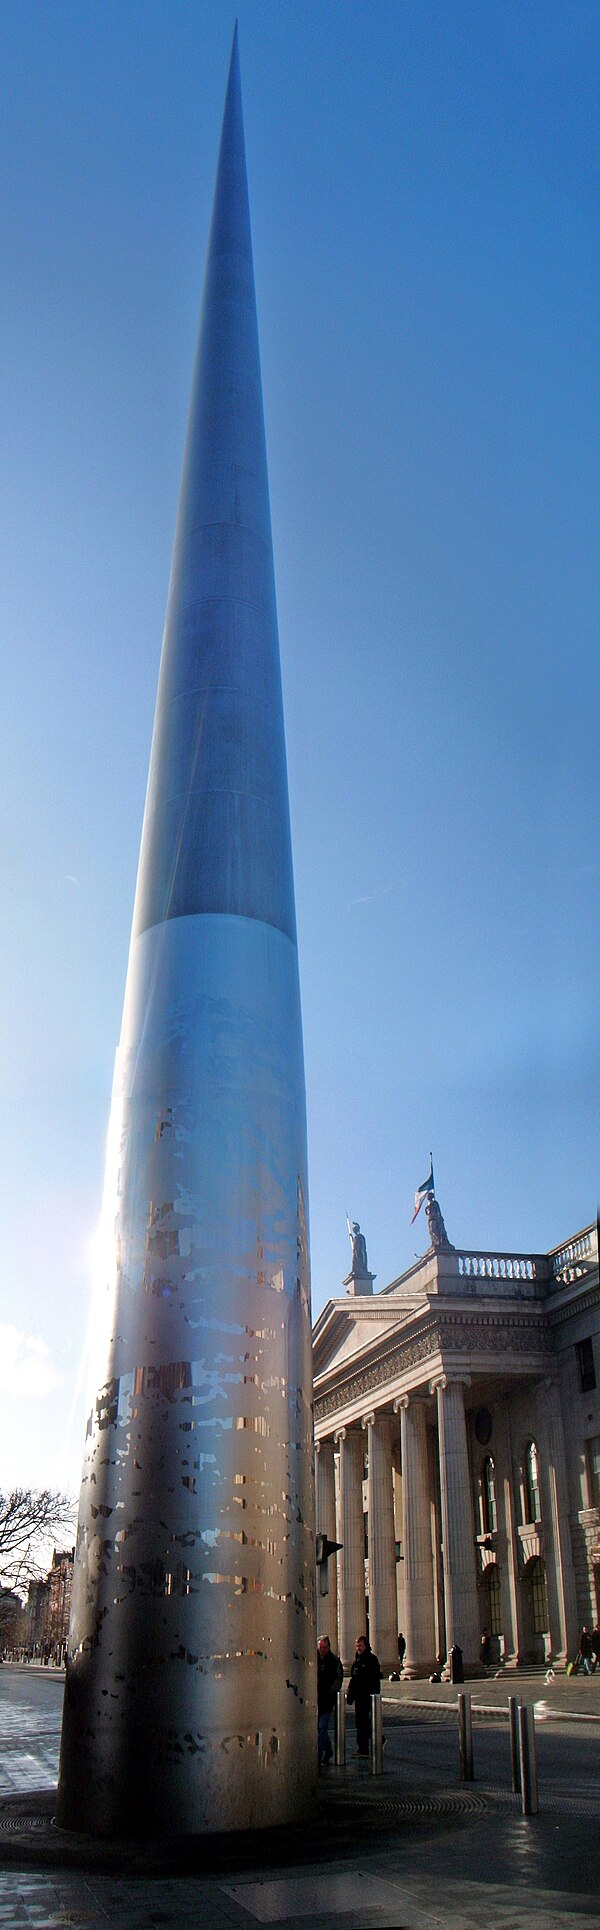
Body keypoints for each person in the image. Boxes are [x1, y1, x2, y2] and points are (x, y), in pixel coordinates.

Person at [346, 1634, 381, 1757]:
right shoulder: (358, 1660)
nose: (358, 1648)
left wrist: (373, 1693)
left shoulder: (371, 1660)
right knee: (361, 1722)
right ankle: (369, 1744)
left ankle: (364, 1748)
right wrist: (350, 1694)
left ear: (366, 1645)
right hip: (359, 1696)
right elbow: (354, 1679)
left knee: (363, 1722)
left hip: (367, 1695)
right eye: (357, 1646)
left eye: (360, 1645)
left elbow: (374, 1678)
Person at [317, 1635, 343, 1765]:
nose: (321, 1650)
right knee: (320, 1729)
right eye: (320, 1647)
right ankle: (328, 1750)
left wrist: (331, 1692)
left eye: (324, 1647)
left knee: (322, 1727)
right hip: (315, 1700)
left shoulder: (334, 1661)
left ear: (328, 1647)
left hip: (326, 1700)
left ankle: (318, 1755)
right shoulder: (314, 1659)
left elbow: (338, 1680)